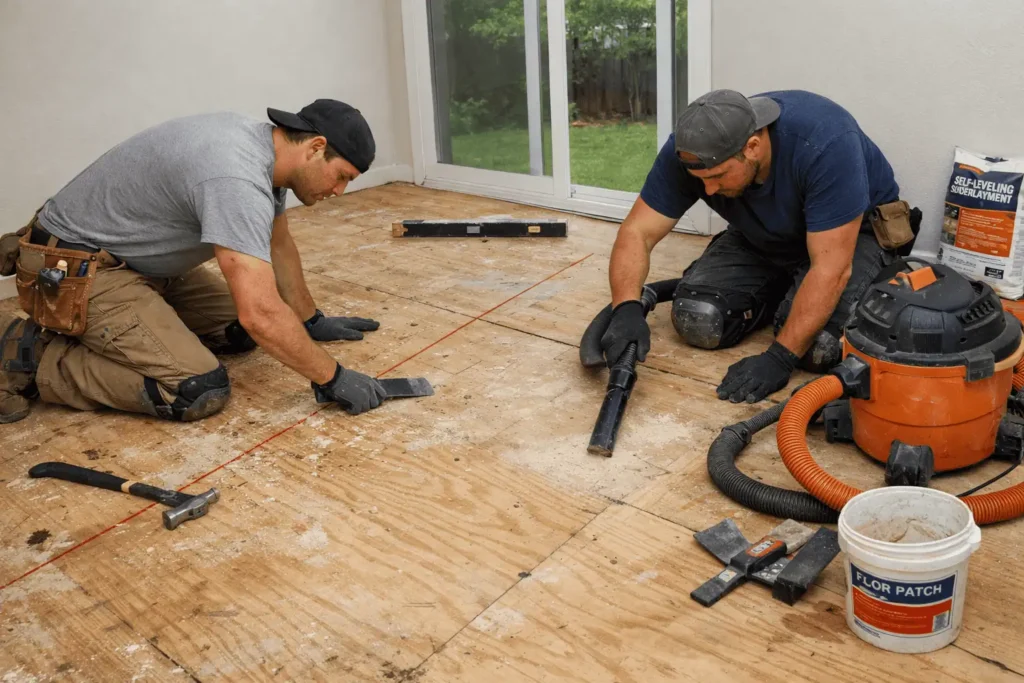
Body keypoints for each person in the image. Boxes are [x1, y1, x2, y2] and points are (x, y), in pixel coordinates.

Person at [0, 98, 389, 424]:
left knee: (239, 331)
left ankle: (136, 326)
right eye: (341, 177)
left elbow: (279, 245)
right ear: (316, 147)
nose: (339, 191)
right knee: (196, 389)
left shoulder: (267, 155)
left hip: (135, 262)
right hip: (74, 268)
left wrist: (310, 322)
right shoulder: (235, 177)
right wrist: (331, 377)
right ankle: (26, 354)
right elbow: (262, 314)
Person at [600, 89, 919, 403]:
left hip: (850, 238)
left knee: (816, 347)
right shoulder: (693, 151)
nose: (708, 190)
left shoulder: (825, 143)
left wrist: (780, 357)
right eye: (700, 180)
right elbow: (637, 231)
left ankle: (807, 294)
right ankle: (787, 288)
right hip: (764, 236)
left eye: (718, 176)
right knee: (698, 319)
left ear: (752, 146)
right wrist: (626, 308)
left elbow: (831, 268)